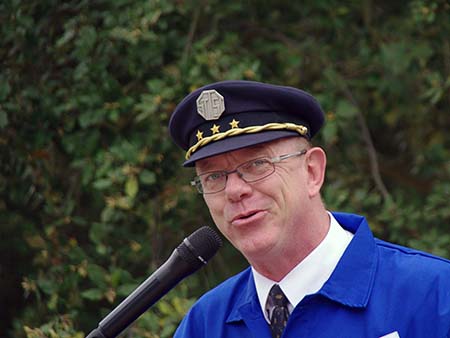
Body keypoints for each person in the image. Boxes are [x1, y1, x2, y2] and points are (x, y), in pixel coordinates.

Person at [168, 80, 450, 338]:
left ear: (312, 172)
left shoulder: (432, 296)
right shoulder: (205, 325)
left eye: (257, 164)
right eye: (214, 177)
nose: (233, 190)